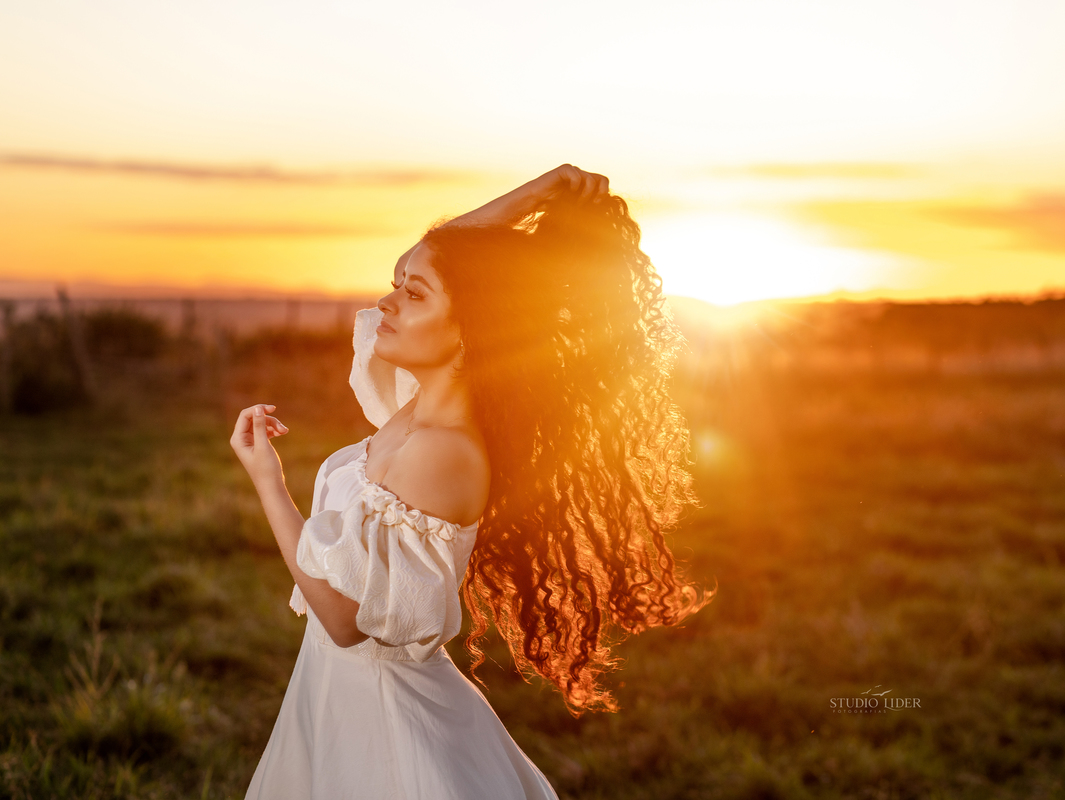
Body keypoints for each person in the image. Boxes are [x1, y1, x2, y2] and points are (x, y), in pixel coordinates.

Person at [230, 164, 709, 798]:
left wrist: (268, 480)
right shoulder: (418, 400)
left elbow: (344, 621)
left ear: (470, 329)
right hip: (337, 695)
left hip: (384, 720)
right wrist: (539, 195)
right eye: (395, 286)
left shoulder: (444, 450)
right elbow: (445, 256)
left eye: (414, 295)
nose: (387, 303)